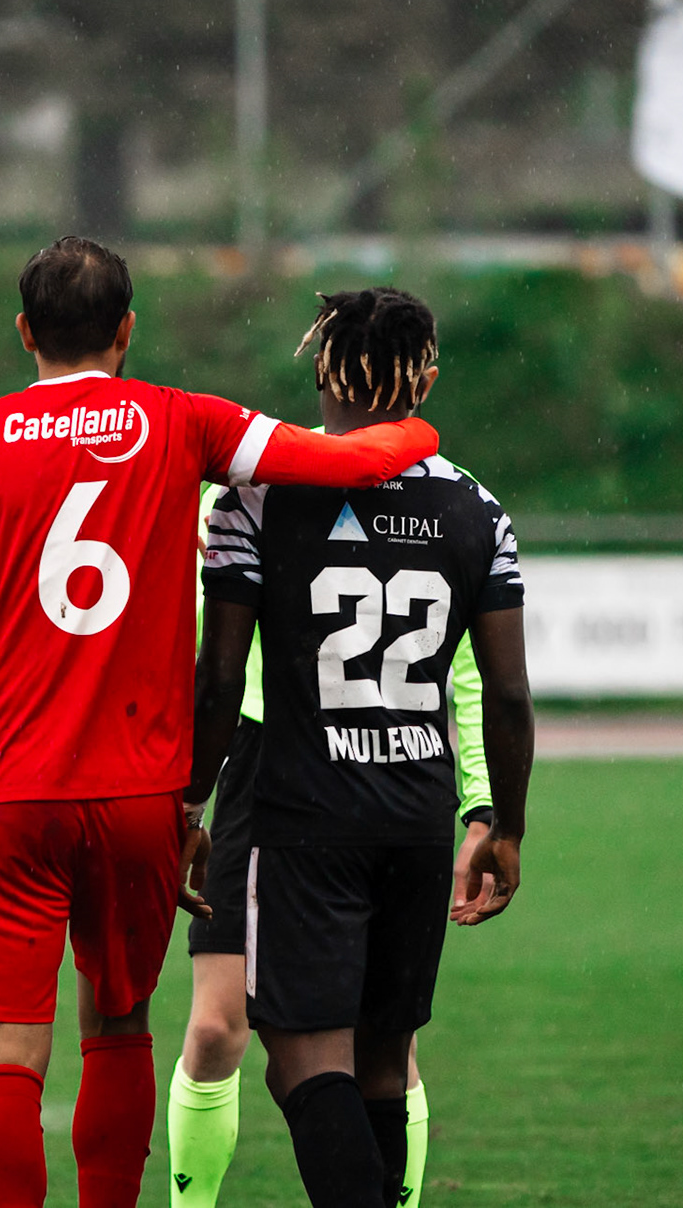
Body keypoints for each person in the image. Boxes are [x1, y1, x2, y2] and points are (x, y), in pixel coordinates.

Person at [0, 239, 443, 1208]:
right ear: (127, 330)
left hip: (4, 786)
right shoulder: (181, 421)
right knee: (120, 1020)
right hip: (137, 790)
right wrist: (418, 431)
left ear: (25, 333)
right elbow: (341, 459)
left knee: (8, 1050)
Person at [185, 287, 535, 1208]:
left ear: (321, 371)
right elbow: (506, 691)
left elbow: (220, 679)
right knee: (385, 1065)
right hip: (418, 820)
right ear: (424, 376)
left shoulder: (257, 498)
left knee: (302, 1069)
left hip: (305, 818)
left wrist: (187, 798)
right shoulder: (477, 509)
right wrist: (504, 822)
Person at [169, 497, 499, 1208]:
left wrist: (483, 799)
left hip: (370, 772)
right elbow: (198, 654)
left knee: (378, 1050)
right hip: (259, 761)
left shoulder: (448, 499)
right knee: (217, 1026)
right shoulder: (253, 494)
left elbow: (467, 670)